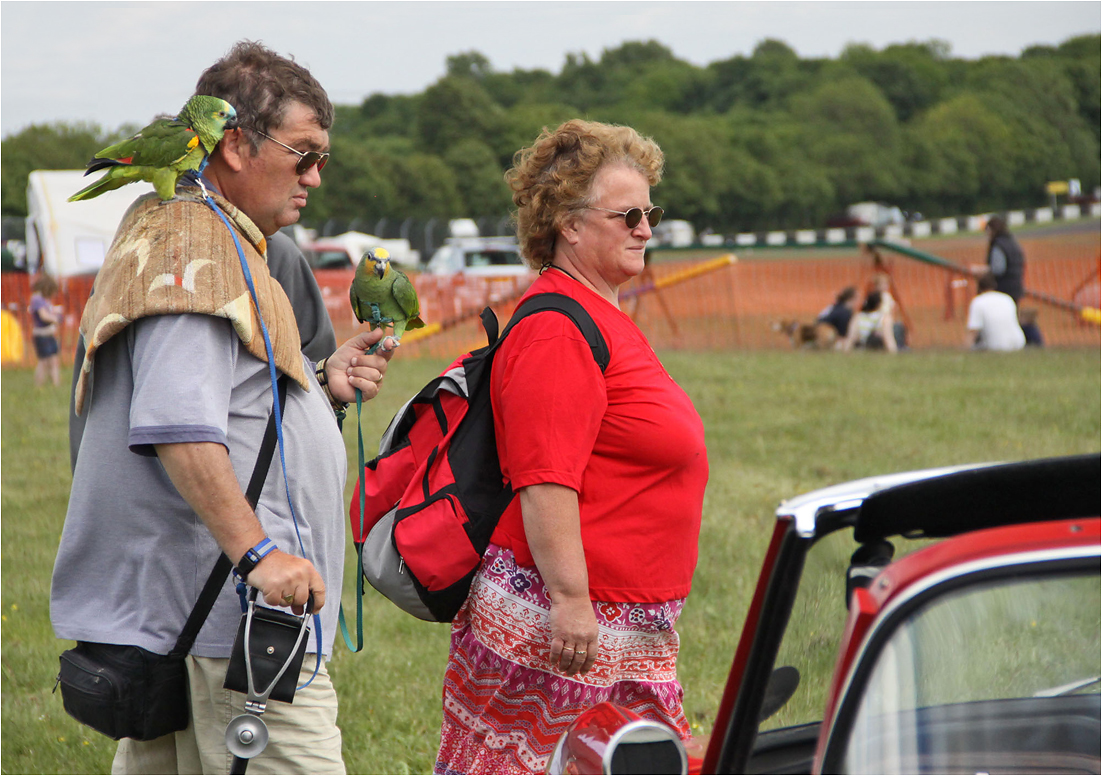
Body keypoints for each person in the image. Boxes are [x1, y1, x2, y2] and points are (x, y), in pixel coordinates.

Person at [51, 40, 393, 774]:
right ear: (234, 143)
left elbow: (226, 395)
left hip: (199, 622)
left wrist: (320, 382)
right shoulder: (192, 251)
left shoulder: (214, 236)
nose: (315, 177)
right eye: (303, 154)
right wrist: (262, 555)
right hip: (232, 628)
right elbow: (180, 428)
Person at [435, 120, 710, 774]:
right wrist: (571, 601)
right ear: (570, 225)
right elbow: (544, 479)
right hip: (568, 621)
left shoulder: (596, 315)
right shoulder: (558, 327)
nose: (646, 228)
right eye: (628, 215)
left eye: (650, 212)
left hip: (618, 620)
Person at [67, 229, 336, 472]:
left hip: (255, 497)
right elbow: (96, 393)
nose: (312, 179)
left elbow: (311, 381)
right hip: (190, 504)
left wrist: (326, 383)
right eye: (302, 169)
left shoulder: (279, 257)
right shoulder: (141, 245)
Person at [966, 271, 1026, 351]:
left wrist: (964, 351)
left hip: (997, 346)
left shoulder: (977, 302)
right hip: (1019, 343)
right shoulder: (1007, 298)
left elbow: (973, 331)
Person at [842, 279, 898, 354]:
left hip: (863, 348)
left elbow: (851, 338)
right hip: (879, 348)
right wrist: (894, 353)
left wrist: (846, 352)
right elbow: (888, 339)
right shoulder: (884, 318)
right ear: (879, 305)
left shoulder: (858, 317)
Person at [29, 274, 63, 386]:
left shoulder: (45, 300)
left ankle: (56, 384)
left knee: (54, 360)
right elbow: (43, 316)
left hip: (49, 334)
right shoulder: (37, 299)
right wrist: (55, 319)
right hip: (41, 335)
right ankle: (38, 385)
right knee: (43, 361)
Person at [984, 215, 1025, 303]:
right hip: (1016, 286)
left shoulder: (998, 246)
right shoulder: (1012, 242)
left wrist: (984, 272)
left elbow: (998, 269)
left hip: (1003, 289)